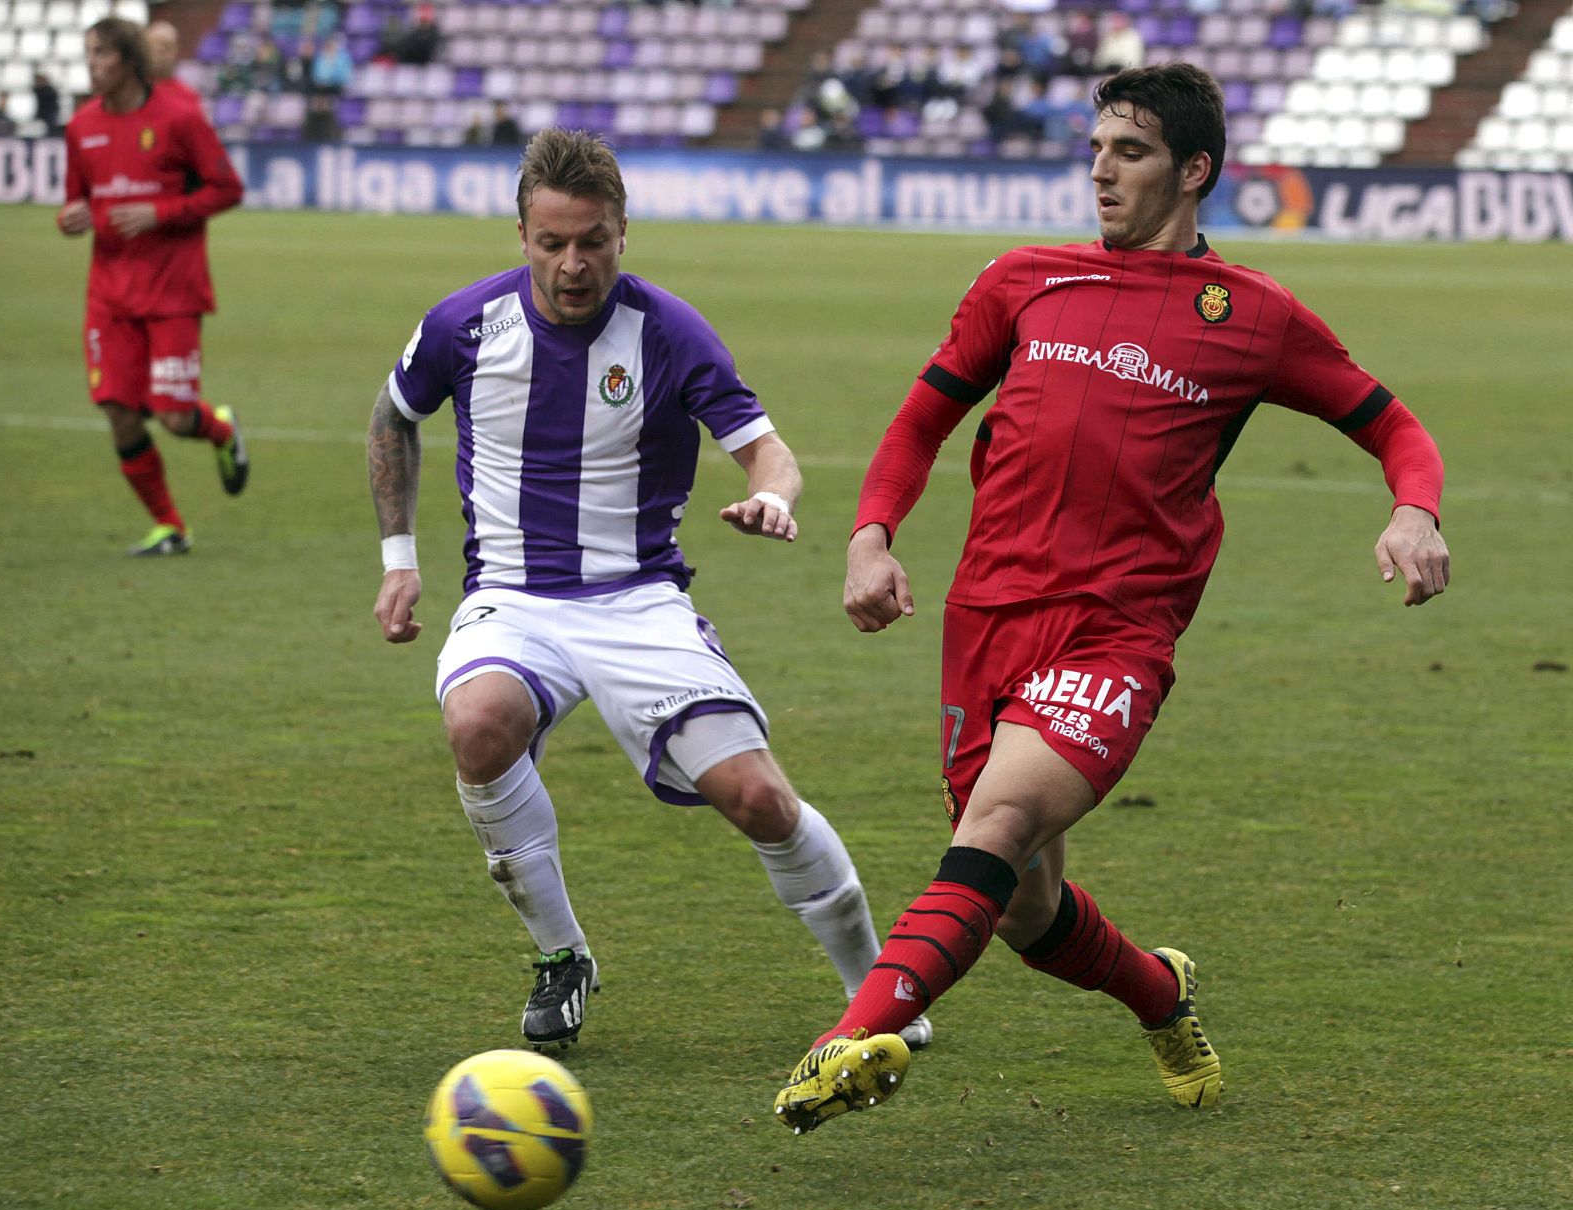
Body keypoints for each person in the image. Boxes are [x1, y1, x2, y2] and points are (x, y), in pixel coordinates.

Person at [773, 62, 1449, 1133]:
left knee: (991, 829)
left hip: (1116, 635)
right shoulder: (1023, 281)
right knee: (1021, 908)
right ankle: (1159, 993)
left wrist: (1414, 511)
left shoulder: (1252, 315)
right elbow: (917, 424)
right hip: (984, 619)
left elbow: (1393, 425)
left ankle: (852, 1034)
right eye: (1093, 149)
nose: (1100, 170)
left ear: (1193, 171)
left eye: (1127, 153)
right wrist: (869, 537)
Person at [367, 128, 933, 1054]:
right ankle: (562, 955)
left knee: (758, 798)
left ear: (623, 231)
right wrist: (399, 555)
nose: (573, 263)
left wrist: (770, 497)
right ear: (521, 235)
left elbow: (768, 450)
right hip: (513, 598)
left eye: (592, 239)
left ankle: (880, 994)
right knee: (477, 723)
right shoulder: (465, 325)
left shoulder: (667, 331)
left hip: (639, 600)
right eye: (552, 242)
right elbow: (395, 412)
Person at [57, 16, 248, 556]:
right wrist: (70, 218)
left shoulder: (180, 117)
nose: (92, 65)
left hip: (172, 291)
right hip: (109, 295)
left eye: (101, 54)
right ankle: (170, 526)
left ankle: (222, 431)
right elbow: (77, 201)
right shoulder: (81, 127)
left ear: (128, 60)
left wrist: (158, 212)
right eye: (88, 54)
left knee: (173, 416)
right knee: (118, 410)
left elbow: (227, 188)